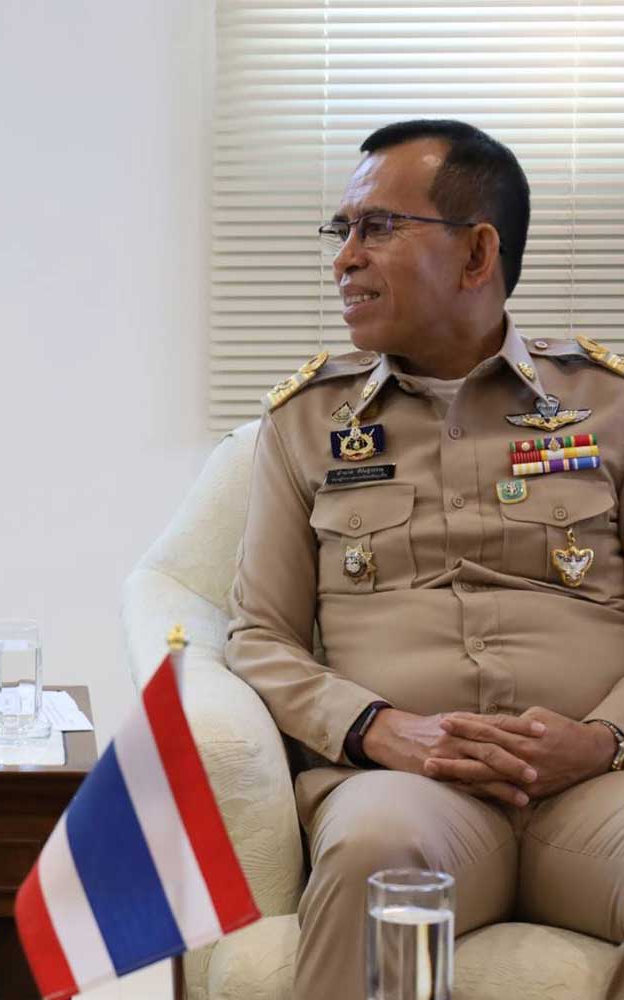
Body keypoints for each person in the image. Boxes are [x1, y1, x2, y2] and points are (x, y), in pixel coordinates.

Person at [227, 119, 624, 999]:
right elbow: (260, 637)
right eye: (343, 233)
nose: (344, 260)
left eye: (376, 228)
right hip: (409, 793)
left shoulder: (607, 406)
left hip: (597, 789)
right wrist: (379, 729)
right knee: (375, 853)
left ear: (477, 253)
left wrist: (602, 740)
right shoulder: (308, 423)